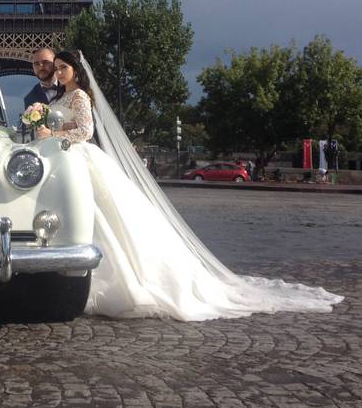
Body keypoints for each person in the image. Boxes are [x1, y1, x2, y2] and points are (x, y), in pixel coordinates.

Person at [35, 50, 343, 320]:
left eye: (64, 68)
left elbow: (86, 131)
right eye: (57, 68)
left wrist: (54, 133)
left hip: (80, 158)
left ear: (77, 70)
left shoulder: (79, 97)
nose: (59, 73)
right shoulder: (62, 97)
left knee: (99, 218)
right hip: (65, 160)